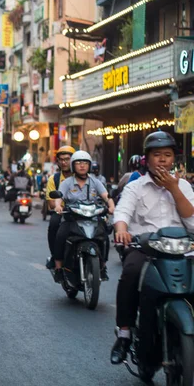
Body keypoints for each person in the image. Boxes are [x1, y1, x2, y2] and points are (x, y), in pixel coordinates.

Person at [110, 131, 194, 365]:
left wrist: (174, 189)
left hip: (182, 249)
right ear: (147, 158)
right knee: (130, 273)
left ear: (173, 159)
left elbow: (192, 222)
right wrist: (121, 229)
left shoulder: (184, 187)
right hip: (145, 247)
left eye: (167, 155)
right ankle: (124, 334)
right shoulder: (135, 187)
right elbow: (123, 211)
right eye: (157, 155)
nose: (163, 160)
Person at [52, 151, 115, 282]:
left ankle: (102, 267)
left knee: (104, 237)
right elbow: (59, 197)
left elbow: (106, 196)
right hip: (72, 218)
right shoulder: (67, 183)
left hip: (92, 218)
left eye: (85, 163)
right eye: (79, 163)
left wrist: (111, 206)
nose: (82, 166)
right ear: (73, 166)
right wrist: (58, 206)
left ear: (89, 165)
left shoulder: (95, 182)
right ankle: (58, 268)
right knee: (60, 236)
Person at [45, 145, 75, 269]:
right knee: (53, 225)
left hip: (83, 212)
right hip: (63, 213)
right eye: (61, 159)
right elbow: (51, 204)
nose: (64, 162)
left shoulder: (83, 176)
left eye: (67, 159)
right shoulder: (54, 179)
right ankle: (55, 256)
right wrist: (61, 206)